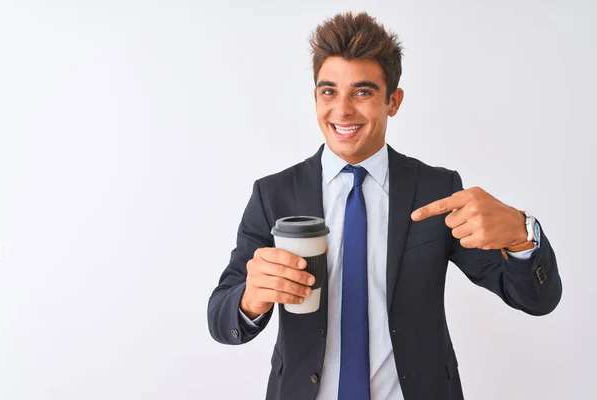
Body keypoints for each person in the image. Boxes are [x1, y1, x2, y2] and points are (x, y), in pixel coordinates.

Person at [207, 11, 562, 400]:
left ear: (393, 101)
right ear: (315, 98)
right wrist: (250, 297)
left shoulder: (437, 190)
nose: (342, 110)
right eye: (329, 92)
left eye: (362, 92)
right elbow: (222, 319)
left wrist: (521, 235)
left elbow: (534, 299)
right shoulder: (273, 194)